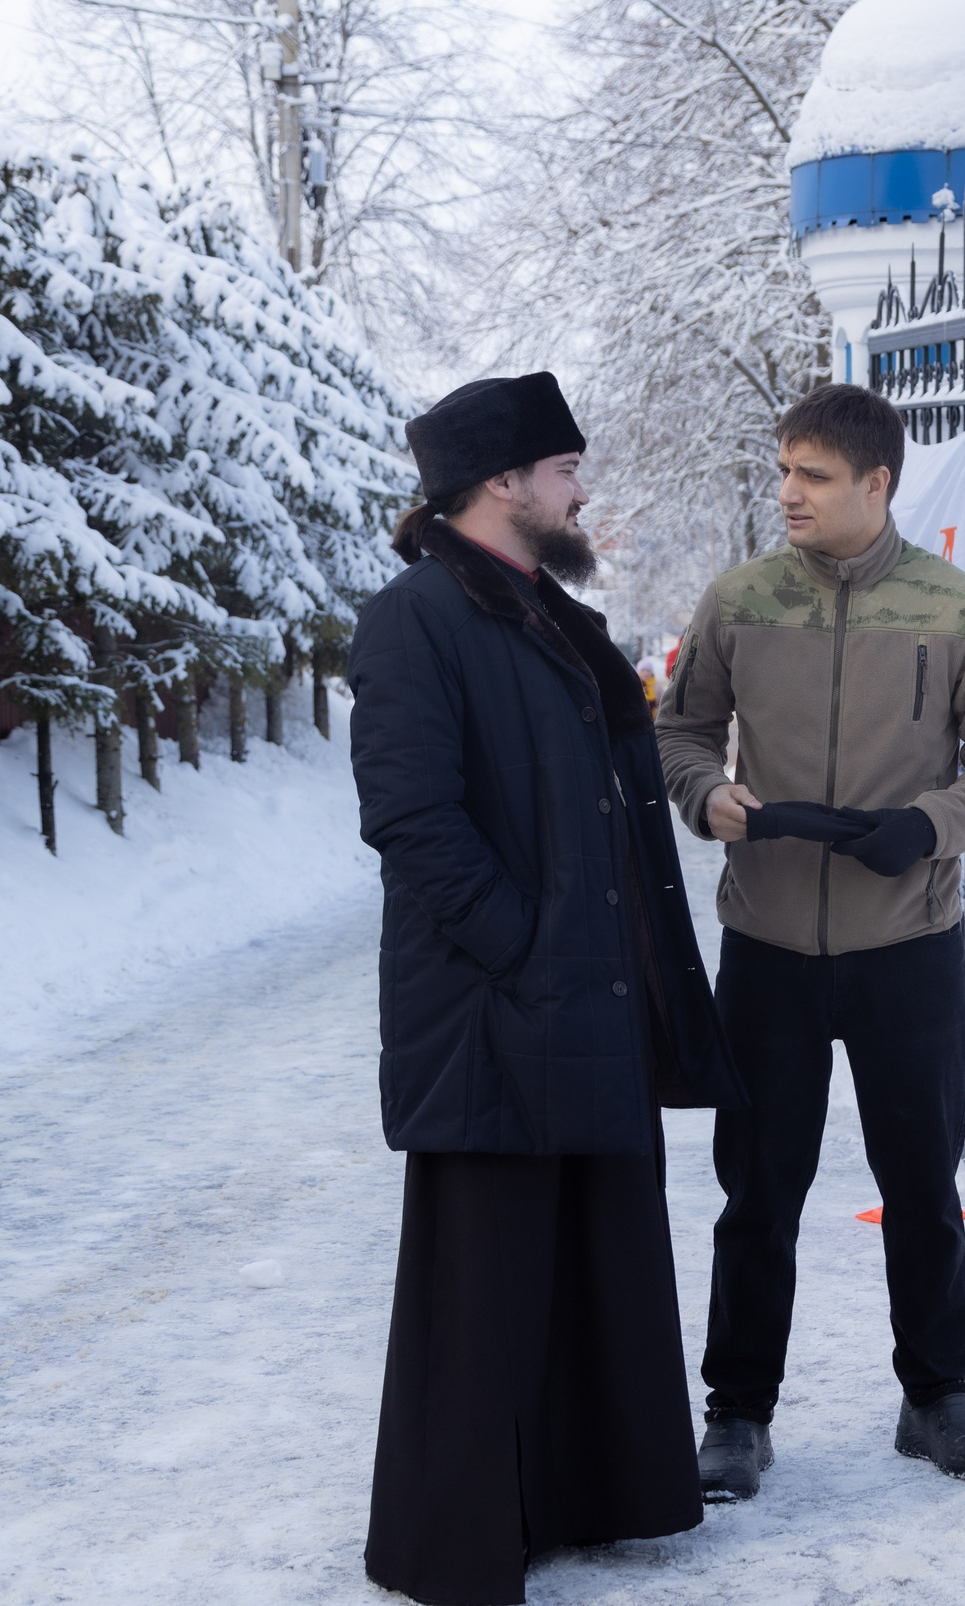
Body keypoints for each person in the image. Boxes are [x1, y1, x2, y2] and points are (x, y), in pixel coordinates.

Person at [349, 371, 741, 1606]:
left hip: (590, 997)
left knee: (590, 1251)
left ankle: (586, 1496)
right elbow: (410, 817)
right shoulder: (416, 617)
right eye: (565, 470)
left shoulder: (552, 613)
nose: (582, 490)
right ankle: (455, 1539)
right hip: (495, 1004)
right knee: (487, 1275)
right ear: (501, 482)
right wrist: (522, 942)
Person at [657, 383, 965, 1500]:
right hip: (768, 943)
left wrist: (929, 826)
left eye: (814, 476)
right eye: (785, 469)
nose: (790, 492)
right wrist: (706, 796)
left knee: (921, 1185)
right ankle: (736, 1414)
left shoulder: (955, 608)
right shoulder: (739, 601)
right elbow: (678, 731)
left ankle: (936, 1399)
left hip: (907, 943)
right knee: (756, 1193)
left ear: (877, 484)